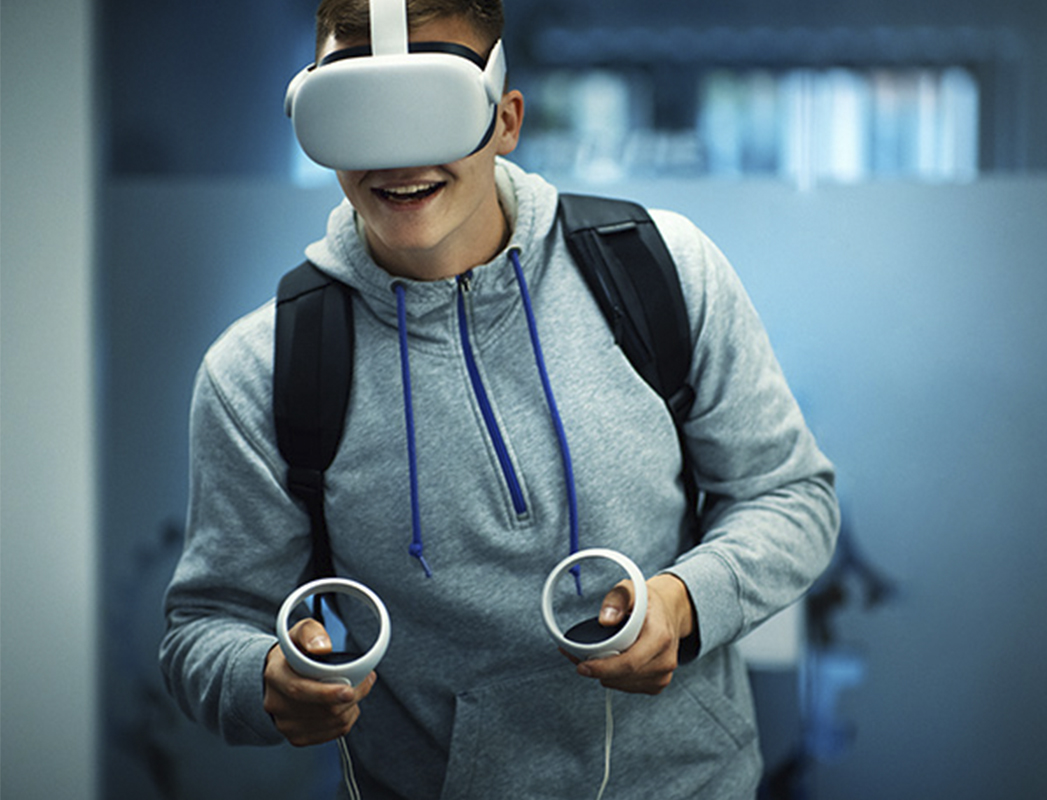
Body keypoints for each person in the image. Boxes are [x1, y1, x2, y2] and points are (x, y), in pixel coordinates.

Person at [160, 0, 840, 797]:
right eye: (362, 115)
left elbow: (791, 496)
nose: (398, 159)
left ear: (505, 118)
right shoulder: (264, 371)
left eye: (431, 111)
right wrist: (265, 679)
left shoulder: (661, 271)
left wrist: (687, 605)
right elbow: (203, 629)